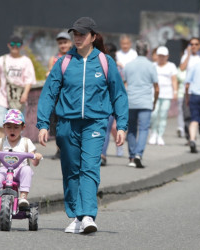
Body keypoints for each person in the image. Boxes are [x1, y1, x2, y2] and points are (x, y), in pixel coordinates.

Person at [37, 17, 128, 234]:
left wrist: (121, 124)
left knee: (89, 167)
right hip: (67, 124)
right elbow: (49, 93)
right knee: (71, 170)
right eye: (75, 34)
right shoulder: (65, 62)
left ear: (93, 37)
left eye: (82, 34)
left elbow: (119, 95)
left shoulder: (105, 62)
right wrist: (42, 124)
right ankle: (77, 216)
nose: (77, 38)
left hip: (95, 123)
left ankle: (88, 215)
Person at [0, 109, 42, 216]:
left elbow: (34, 162)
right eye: (9, 127)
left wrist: (36, 157)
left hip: (20, 172)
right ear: (4, 127)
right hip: (4, 170)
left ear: (23, 127)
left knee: (27, 169)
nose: (12, 130)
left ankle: (23, 197)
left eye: (16, 127)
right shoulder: (0, 142)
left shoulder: (26, 142)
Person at [0, 35, 36, 138]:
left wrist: (25, 94)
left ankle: (15, 151)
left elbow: (29, 80)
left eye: (18, 44)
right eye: (12, 44)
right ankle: (1, 151)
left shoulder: (26, 61)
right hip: (2, 99)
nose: (15, 47)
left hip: (19, 100)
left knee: (17, 126)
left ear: (21, 46)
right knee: (0, 125)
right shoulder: (1, 60)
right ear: (8, 45)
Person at [124, 40, 159, 168]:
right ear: (147, 51)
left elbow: (124, 84)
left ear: (135, 50)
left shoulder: (128, 65)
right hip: (145, 102)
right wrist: (154, 101)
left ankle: (132, 156)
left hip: (130, 101)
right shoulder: (151, 66)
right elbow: (156, 88)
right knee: (144, 129)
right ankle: (139, 154)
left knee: (131, 129)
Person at [46, 32, 73, 160]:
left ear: (70, 43)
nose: (63, 45)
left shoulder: (74, 57)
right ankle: (59, 149)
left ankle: (69, 149)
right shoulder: (54, 59)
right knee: (56, 124)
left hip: (70, 95)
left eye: (65, 42)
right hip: (57, 96)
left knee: (69, 123)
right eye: (61, 43)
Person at [148, 46, 178, 146]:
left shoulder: (171, 66)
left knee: (163, 115)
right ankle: (153, 133)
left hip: (166, 94)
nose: (161, 58)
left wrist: (175, 92)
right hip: (154, 94)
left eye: (163, 56)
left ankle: (160, 135)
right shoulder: (152, 66)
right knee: (154, 114)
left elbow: (174, 80)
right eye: (160, 56)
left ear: (167, 56)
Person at [100, 42, 124, 166]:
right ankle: (101, 154)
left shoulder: (108, 66)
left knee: (105, 129)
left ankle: (102, 154)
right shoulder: (115, 66)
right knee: (107, 129)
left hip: (106, 103)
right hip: (108, 102)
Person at [179, 38, 200, 143]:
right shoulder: (186, 56)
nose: (193, 46)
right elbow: (182, 68)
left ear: (199, 45)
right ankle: (190, 138)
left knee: (199, 116)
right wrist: (188, 55)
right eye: (191, 44)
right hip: (188, 91)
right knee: (187, 114)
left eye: (196, 44)